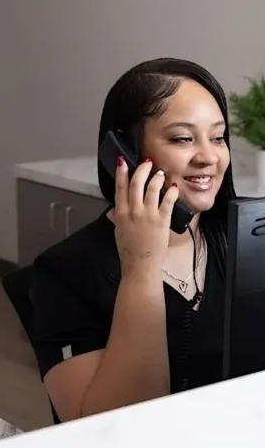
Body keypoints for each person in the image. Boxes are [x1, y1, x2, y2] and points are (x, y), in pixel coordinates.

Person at [30, 58, 236, 422]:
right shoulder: (63, 272)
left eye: (218, 137)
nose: (209, 157)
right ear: (124, 154)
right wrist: (141, 267)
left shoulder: (249, 233)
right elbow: (103, 431)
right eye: (183, 138)